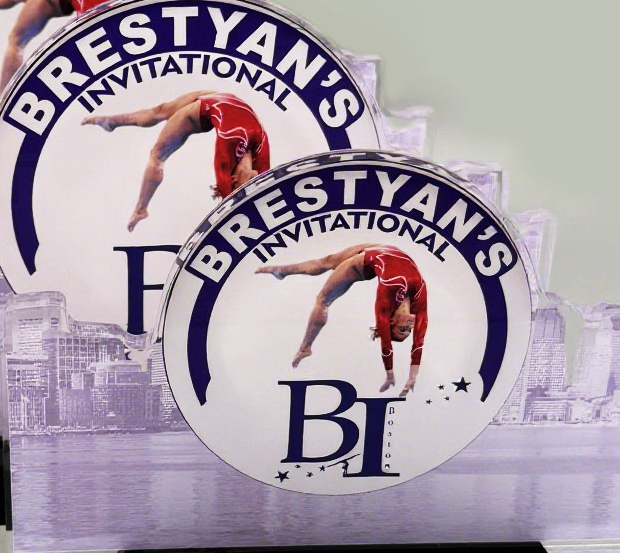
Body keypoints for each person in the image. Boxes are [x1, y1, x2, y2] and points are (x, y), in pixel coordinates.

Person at [83, 91, 271, 231]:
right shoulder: (233, 145)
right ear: (233, 181)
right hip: (211, 105)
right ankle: (141, 209)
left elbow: (260, 193)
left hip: (221, 103)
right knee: (157, 148)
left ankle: (111, 123)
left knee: (159, 119)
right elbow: (227, 203)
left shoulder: (258, 155)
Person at [256, 243, 428, 394]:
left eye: (403, 330)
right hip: (382, 249)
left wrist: (390, 374)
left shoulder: (385, 301)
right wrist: (412, 377)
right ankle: (282, 271)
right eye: (408, 330)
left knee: (323, 300)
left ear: (392, 322)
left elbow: (386, 346)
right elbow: (418, 343)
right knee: (327, 261)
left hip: (367, 262)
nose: (410, 327)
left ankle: (305, 348)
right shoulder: (419, 299)